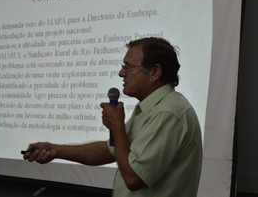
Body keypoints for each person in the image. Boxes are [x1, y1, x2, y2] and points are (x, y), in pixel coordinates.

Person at [23, 37, 203, 197]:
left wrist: (117, 127)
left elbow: (134, 178)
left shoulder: (168, 113)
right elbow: (111, 151)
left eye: (128, 67)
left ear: (154, 72)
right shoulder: (151, 108)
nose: (121, 73)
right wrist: (55, 150)